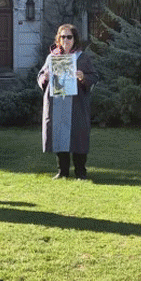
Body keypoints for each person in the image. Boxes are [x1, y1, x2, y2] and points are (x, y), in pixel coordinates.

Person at [37, 24, 97, 179]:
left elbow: (94, 77)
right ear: (58, 39)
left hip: (77, 104)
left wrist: (83, 77)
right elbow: (40, 76)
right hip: (57, 103)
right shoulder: (52, 57)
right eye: (63, 37)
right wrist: (46, 77)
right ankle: (62, 171)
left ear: (74, 39)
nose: (66, 40)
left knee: (78, 136)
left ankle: (80, 172)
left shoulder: (82, 58)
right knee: (59, 136)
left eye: (69, 37)